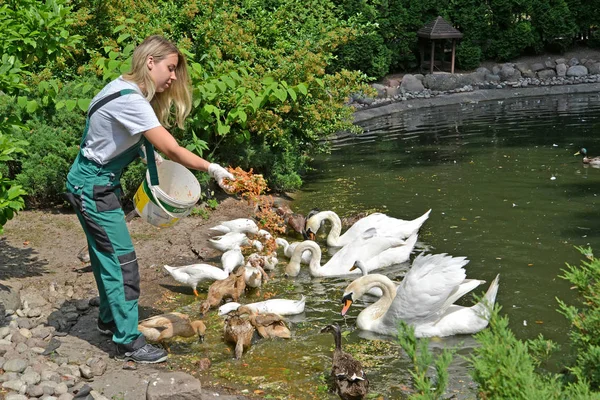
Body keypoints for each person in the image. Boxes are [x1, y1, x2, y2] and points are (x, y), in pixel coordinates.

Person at [64, 35, 235, 363]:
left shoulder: (122, 89)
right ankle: (127, 342)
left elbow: (118, 138)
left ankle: (108, 320)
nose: (173, 78)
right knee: (123, 264)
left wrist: (149, 160)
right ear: (149, 62)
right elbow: (171, 148)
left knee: (105, 257)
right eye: (170, 69)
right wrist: (211, 167)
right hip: (93, 189)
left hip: (92, 184)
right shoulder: (131, 100)